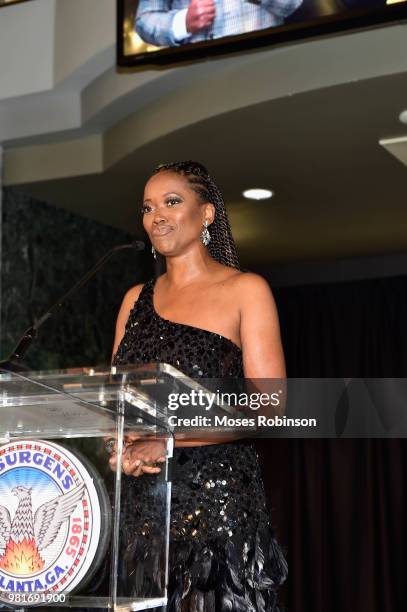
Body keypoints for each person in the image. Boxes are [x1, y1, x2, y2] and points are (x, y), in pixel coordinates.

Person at [110, 160, 287, 611]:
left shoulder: (246, 290)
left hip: (217, 508)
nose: (157, 217)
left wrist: (168, 441)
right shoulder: (134, 300)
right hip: (145, 513)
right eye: (147, 207)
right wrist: (122, 448)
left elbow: (270, 409)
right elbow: (116, 407)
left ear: (206, 214)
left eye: (172, 202)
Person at [135, 0, 303, 48]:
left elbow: (293, 4)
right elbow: (145, 20)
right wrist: (182, 22)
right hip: (195, 79)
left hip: (264, 66)